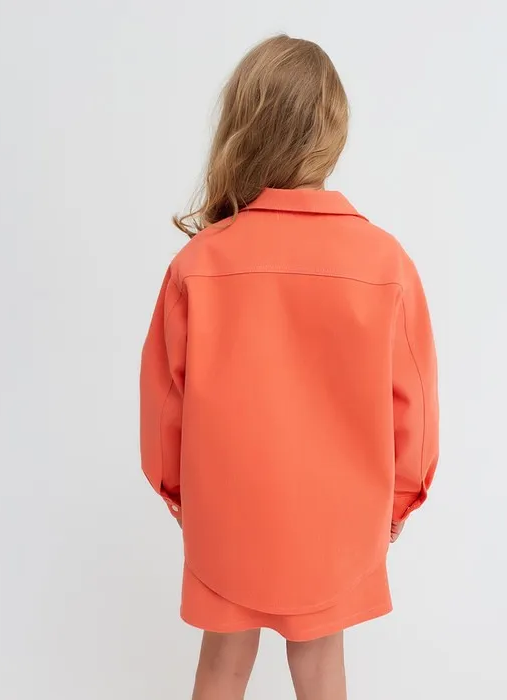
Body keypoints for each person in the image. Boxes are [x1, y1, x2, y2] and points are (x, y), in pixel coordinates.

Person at [140, 34, 439, 700]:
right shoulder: (384, 262)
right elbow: (414, 402)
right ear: (333, 133)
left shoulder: (199, 262)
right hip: (338, 525)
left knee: (222, 663)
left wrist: (182, 496)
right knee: (322, 665)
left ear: (243, 126)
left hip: (227, 517)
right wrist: (397, 503)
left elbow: (162, 403)